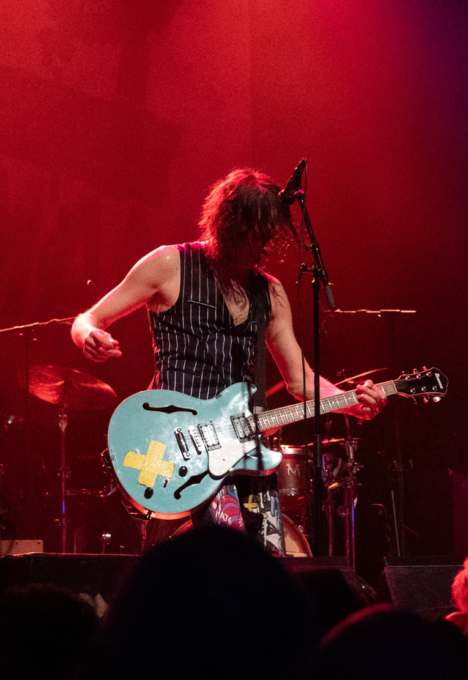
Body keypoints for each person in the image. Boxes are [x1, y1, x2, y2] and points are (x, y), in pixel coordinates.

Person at [71, 168, 386, 553]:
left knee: (262, 571)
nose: (266, 244)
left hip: (246, 454)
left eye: (271, 234)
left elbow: (300, 380)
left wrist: (350, 400)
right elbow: (89, 318)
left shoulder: (270, 291)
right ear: (229, 225)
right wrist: (90, 335)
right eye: (257, 233)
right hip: (176, 446)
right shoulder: (170, 265)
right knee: (191, 573)